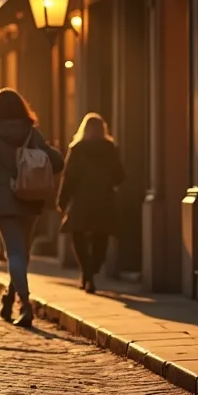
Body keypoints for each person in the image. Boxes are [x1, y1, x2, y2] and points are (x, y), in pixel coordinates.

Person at [0, 89, 64, 327]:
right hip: (31, 198)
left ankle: (25, 305)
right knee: (22, 253)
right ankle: (10, 297)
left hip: (3, 200)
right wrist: (45, 148)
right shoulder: (30, 132)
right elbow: (57, 162)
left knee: (15, 252)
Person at [57, 112, 125, 294]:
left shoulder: (77, 148)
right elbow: (119, 176)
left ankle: (86, 272)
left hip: (81, 199)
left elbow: (68, 177)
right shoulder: (110, 148)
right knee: (100, 237)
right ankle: (93, 269)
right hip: (104, 199)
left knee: (77, 235)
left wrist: (62, 200)